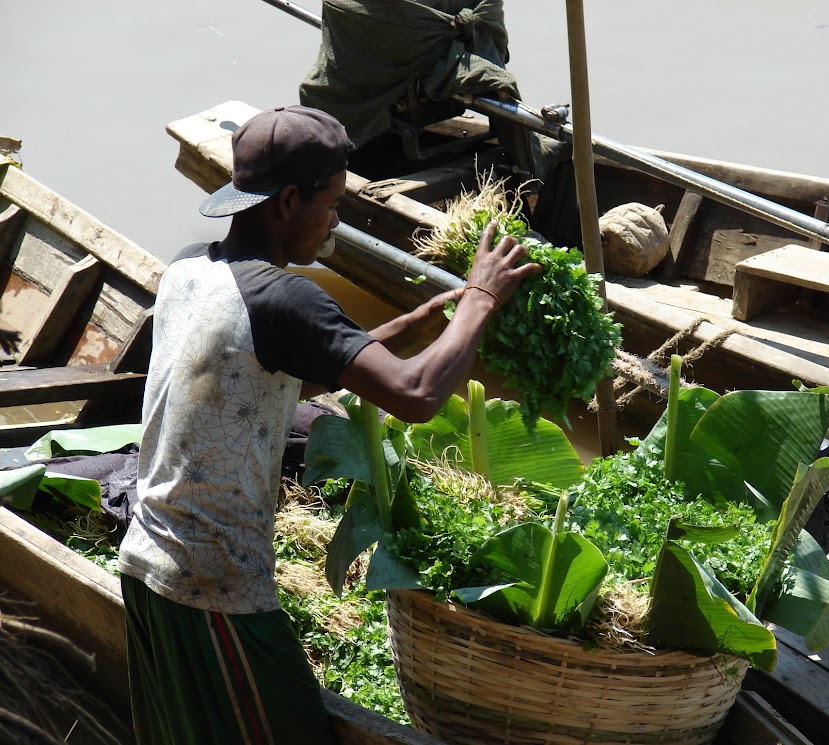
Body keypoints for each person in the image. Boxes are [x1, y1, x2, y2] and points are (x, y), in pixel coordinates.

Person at [117, 104, 539, 745]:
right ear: (288, 201)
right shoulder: (287, 297)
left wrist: (412, 326)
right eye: (333, 202)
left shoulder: (189, 269)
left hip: (146, 565)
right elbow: (418, 394)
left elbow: (267, 376)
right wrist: (480, 299)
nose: (336, 220)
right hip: (210, 585)